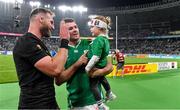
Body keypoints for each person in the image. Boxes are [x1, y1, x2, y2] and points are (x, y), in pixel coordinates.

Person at [13, 8, 73, 109]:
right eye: (51, 22)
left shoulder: (37, 43)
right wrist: (64, 40)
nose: (53, 27)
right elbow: (56, 69)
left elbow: (57, 67)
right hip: (35, 105)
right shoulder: (26, 42)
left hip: (48, 103)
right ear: (41, 19)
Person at [55, 18, 113, 110]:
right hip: (76, 103)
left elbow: (109, 65)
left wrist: (100, 72)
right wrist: (76, 64)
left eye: (75, 27)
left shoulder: (91, 43)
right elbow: (58, 81)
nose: (75, 30)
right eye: (70, 28)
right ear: (64, 33)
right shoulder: (62, 52)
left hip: (96, 102)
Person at [85, 16, 116, 109]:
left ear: (99, 28)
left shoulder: (98, 40)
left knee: (93, 86)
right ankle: (109, 92)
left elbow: (96, 57)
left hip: (96, 67)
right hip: (102, 65)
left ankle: (100, 104)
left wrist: (87, 68)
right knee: (103, 79)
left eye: (92, 27)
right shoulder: (105, 39)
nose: (90, 29)